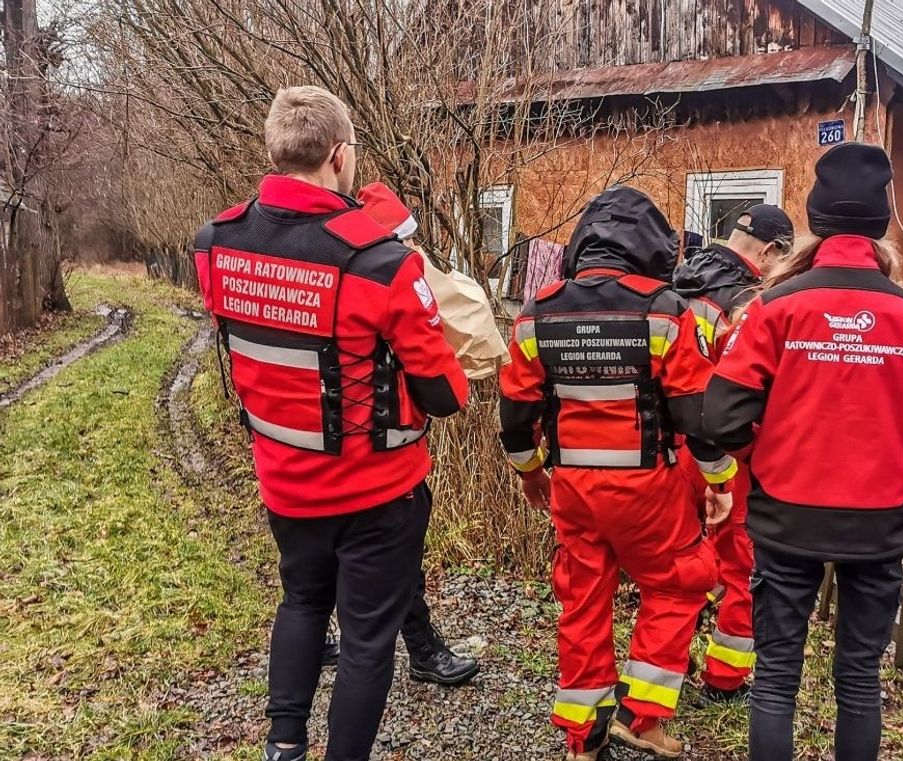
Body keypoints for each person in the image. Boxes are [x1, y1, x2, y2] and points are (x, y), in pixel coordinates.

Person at [192, 86, 468, 761]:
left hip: (284, 479)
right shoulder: (382, 263)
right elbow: (443, 394)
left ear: (276, 151)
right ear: (340, 155)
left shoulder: (215, 244)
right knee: (369, 638)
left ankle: (284, 744)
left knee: (303, 603)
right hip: (378, 492)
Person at [703, 143, 903, 761]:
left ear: (815, 220)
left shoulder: (773, 307)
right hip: (881, 529)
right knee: (858, 681)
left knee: (774, 683)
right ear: (880, 225)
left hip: (786, 520)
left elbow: (720, 417)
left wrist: (778, 437)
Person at [499, 185, 738, 761]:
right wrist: (719, 481)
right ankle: (643, 717)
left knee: (582, 599)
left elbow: (516, 412)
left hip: (573, 490)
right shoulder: (665, 311)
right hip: (648, 488)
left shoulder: (536, 311)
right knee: (679, 583)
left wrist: (531, 471)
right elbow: (694, 414)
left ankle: (582, 740)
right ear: (652, 247)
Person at [313, 182, 480, 688]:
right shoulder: (381, 277)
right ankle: (419, 649)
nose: (414, 251)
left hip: (327, 443)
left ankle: (328, 633)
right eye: (405, 241)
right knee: (391, 553)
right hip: (374, 451)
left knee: (330, 550)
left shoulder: (340, 269)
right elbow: (443, 388)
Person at [673, 203, 795, 705]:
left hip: (674, 447)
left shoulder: (675, 283)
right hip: (731, 453)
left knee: (678, 563)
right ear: (768, 252)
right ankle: (724, 680)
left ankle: (667, 664)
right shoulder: (754, 303)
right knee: (741, 565)